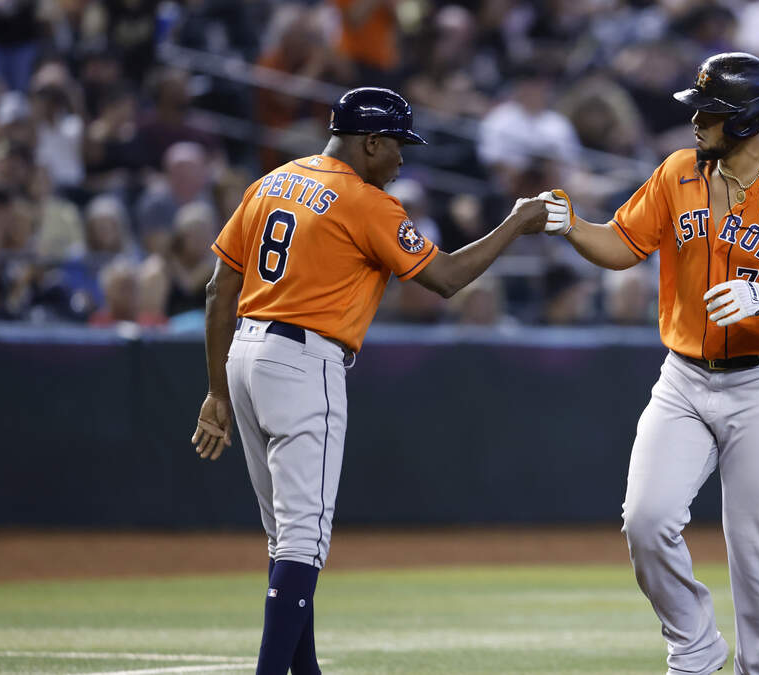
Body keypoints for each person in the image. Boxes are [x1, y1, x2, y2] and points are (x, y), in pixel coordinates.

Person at [189, 87, 545, 675]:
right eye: (398, 144)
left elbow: (218, 292)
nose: (403, 158)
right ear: (370, 141)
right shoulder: (366, 202)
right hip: (304, 362)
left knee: (285, 539)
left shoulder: (272, 181)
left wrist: (217, 391)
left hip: (245, 358)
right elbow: (448, 278)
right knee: (304, 539)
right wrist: (515, 223)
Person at [541, 53, 759, 675]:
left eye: (709, 110)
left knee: (750, 542)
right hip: (685, 376)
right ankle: (694, 644)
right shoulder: (678, 172)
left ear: (744, 118)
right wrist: (572, 225)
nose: (695, 118)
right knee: (646, 519)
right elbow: (623, 244)